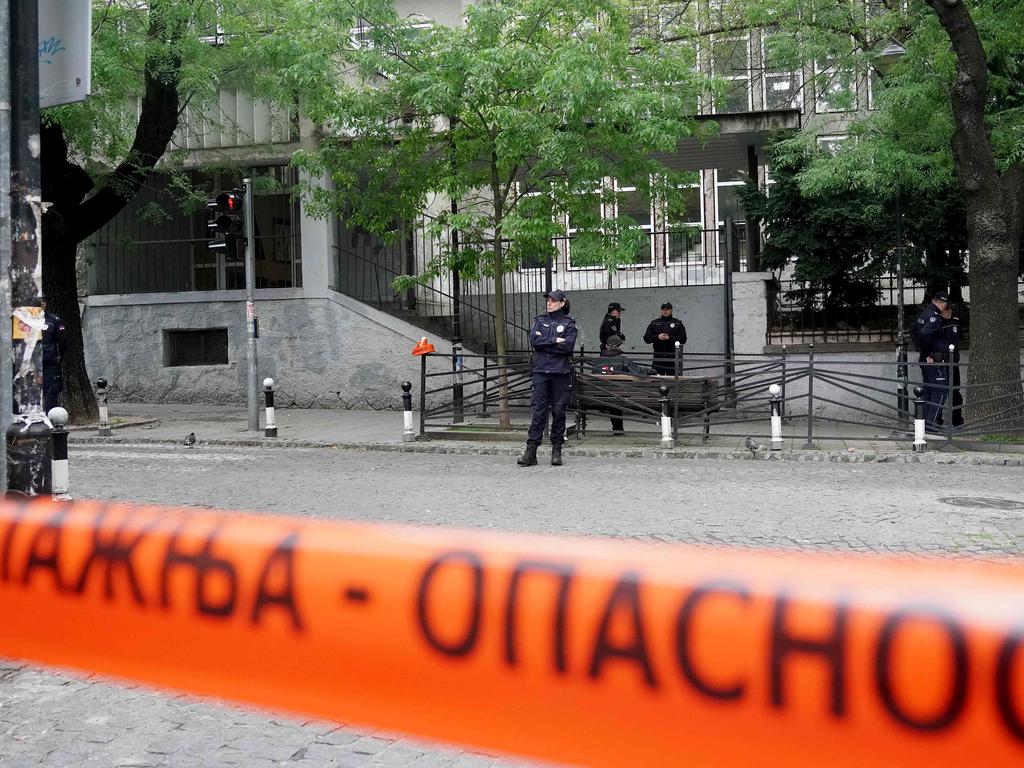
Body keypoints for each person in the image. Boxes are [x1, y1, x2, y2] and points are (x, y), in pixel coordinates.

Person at [518, 290, 578, 467]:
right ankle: (531, 452)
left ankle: (556, 448)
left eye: (553, 300)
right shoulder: (540, 321)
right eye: (548, 300)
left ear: (562, 303)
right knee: (538, 412)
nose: (549, 303)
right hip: (540, 371)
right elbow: (534, 342)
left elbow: (567, 347)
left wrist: (547, 342)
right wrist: (555, 341)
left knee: (559, 411)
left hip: (560, 372)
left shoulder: (569, 323)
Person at [589, 334, 655, 435]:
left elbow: (593, 377)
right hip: (619, 396)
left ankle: (618, 429)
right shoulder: (623, 360)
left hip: (599, 396)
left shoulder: (597, 361)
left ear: (606, 346)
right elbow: (639, 372)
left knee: (612, 395)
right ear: (620, 346)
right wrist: (653, 371)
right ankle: (618, 429)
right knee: (616, 395)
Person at [913, 291, 950, 428]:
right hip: (934, 360)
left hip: (925, 360)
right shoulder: (934, 317)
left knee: (928, 392)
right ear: (942, 303)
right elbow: (924, 334)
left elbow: (914, 333)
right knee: (940, 392)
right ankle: (931, 425)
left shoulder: (924, 314)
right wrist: (928, 354)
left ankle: (924, 425)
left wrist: (922, 352)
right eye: (944, 304)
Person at [936, 303, 964, 427]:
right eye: (945, 310)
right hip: (942, 363)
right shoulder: (937, 323)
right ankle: (936, 420)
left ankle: (957, 420)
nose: (948, 312)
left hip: (954, 363)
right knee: (940, 392)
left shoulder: (955, 322)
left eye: (949, 310)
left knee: (955, 393)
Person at [643, 302, 687, 375]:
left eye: (667, 309)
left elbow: (683, 339)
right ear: (661, 310)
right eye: (663, 309)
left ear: (671, 310)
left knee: (673, 380)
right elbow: (646, 338)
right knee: (656, 379)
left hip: (673, 357)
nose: (665, 311)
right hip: (658, 357)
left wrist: (669, 338)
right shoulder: (654, 323)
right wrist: (657, 337)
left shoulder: (677, 323)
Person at [40, 297, 67, 414]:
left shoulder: (54, 320)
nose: (42, 303)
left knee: (51, 393)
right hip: (30, 366)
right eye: (39, 300)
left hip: (49, 364)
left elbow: (62, 341)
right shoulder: (26, 321)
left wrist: (58, 356)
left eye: (44, 301)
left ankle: (51, 421)